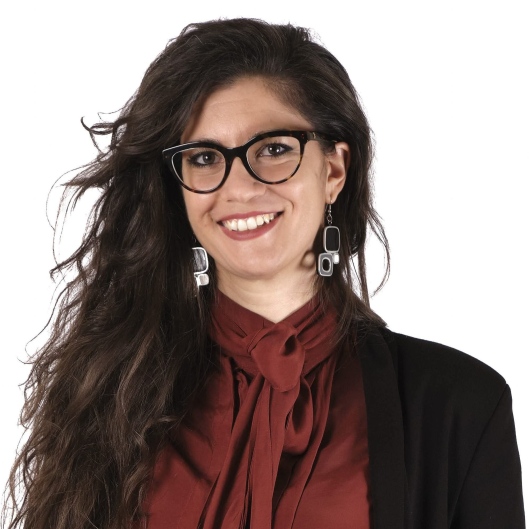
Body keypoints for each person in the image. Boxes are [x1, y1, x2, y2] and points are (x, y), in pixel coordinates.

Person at [4, 18, 525, 529]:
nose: (238, 188)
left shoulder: (462, 405)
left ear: (334, 170)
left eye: (274, 149)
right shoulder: (108, 391)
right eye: (204, 158)